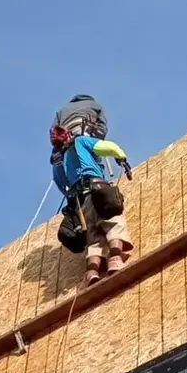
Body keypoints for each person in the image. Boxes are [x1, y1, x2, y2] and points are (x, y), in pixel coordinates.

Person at [50, 93, 134, 287]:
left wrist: (70, 196)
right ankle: (115, 259)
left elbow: (58, 179)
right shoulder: (82, 141)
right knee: (113, 222)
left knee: (93, 238)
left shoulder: (62, 157)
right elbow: (108, 146)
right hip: (97, 187)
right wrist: (121, 158)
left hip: (80, 199)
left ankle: (92, 273)